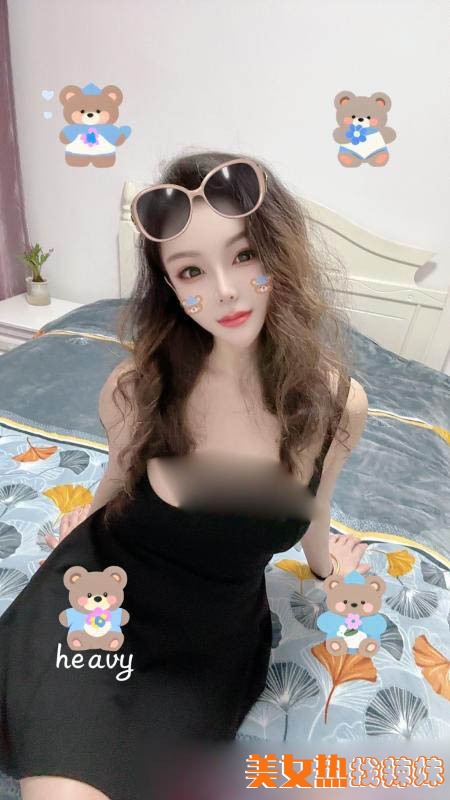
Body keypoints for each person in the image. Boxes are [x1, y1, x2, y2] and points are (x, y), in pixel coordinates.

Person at [0, 151, 369, 800]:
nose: (224, 290)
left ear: (280, 252)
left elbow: (316, 504)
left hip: (208, 642)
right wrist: (81, 525)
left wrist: (325, 566)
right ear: (169, 286)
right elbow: (117, 481)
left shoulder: (337, 405)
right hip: (99, 604)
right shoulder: (138, 388)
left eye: (245, 254)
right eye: (191, 270)